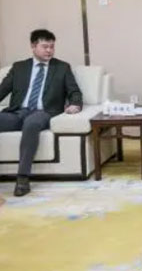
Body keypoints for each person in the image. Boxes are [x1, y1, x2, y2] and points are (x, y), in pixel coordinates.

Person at [0, 29, 82, 197]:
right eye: (45, 47)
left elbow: (74, 91)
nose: (49, 51)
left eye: (52, 47)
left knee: (31, 124)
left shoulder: (62, 67)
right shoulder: (19, 67)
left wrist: (75, 104)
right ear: (33, 46)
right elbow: (2, 90)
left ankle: (22, 178)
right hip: (17, 112)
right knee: (24, 120)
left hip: (44, 112)